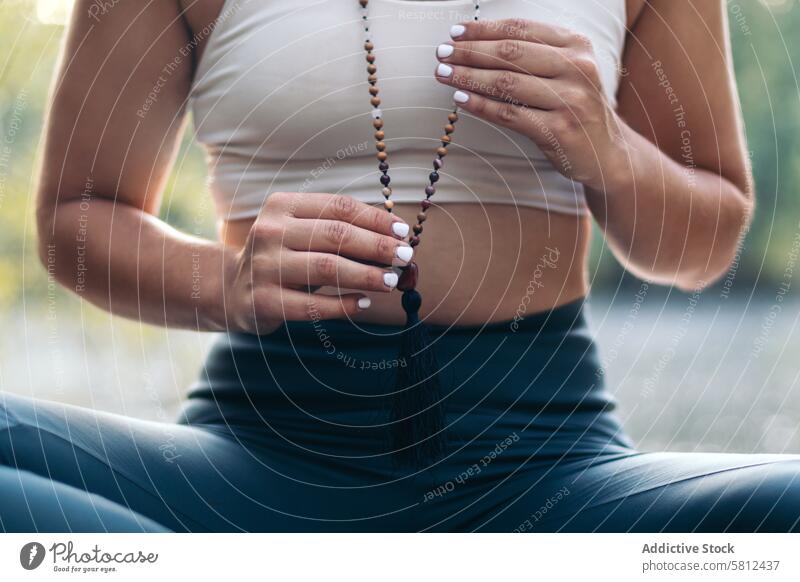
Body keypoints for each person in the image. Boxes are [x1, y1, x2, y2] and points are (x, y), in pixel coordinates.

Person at [2, 0, 798, 532]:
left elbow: (706, 241)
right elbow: (74, 216)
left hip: (549, 467)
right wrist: (226, 283)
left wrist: (614, 156)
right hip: (254, 461)